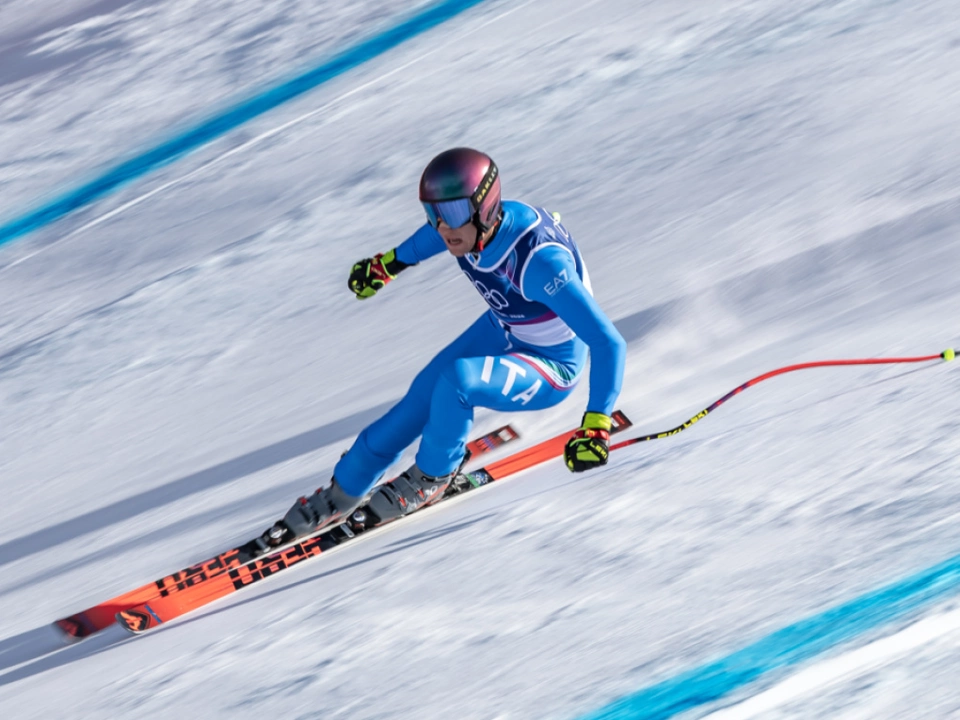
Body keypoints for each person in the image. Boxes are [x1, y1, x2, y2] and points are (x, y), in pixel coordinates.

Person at [259, 147, 626, 549]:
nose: (442, 227)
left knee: (457, 383)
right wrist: (388, 264)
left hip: (552, 365)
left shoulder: (540, 263)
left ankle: (434, 476)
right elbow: (432, 238)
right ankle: (343, 491)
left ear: (485, 207)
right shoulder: (471, 228)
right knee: (421, 397)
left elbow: (608, 342)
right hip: (506, 328)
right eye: (433, 213)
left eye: (451, 213)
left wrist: (597, 424)